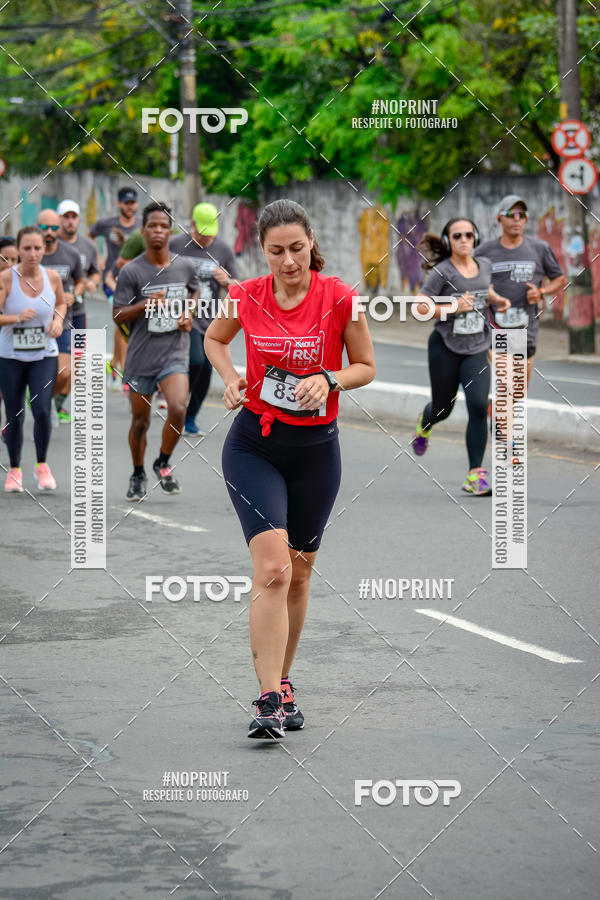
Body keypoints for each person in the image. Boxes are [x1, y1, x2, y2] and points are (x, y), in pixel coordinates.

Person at [204, 198, 376, 740]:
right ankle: (268, 700)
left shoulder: (340, 297)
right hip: (255, 445)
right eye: (275, 252)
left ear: (311, 243)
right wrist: (231, 378)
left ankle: (283, 678)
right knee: (273, 569)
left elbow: (366, 367)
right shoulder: (248, 294)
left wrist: (329, 378)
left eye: (296, 249)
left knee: (300, 575)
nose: (287, 262)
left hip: (317, 452)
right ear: (263, 250)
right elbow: (214, 339)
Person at [410, 218, 511, 496]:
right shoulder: (442, 272)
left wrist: (497, 300)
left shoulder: (485, 265)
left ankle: (474, 475)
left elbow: (484, 289)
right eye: (457, 236)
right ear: (448, 241)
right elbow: (419, 307)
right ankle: (425, 423)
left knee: (479, 406)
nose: (464, 239)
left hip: (477, 347)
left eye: (468, 234)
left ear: (475, 237)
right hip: (445, 347)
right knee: (443, 408)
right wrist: (454, 307)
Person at [113, 202, 199, 501]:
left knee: (177, 407)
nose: (159, 231)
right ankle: (137, 472)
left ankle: (162, 461)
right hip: (140, 358)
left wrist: (189, 312)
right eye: (153, 226)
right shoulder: (133, 271)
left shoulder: (184, 265)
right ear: (143, 231)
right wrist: (143, 305)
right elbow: (117, 314)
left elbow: (194, 290)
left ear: (170, 230)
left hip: (174, 353)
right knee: (141, 422)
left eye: (164, 225)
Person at [474, 195, 566, 387]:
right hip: (494, 327)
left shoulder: (539, 249)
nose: (516, 219)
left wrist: (541, 292)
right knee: (506, 387)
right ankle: (498, 413)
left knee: (518, 391)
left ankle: (496, 412)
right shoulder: (484, 252)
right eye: (510, 214)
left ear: (525, 219)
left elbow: (559, 278)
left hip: (526, 330)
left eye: (521, 214)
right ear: (500, 218)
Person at [0, 226, 65, 491]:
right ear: (18, 249)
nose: (32, 253)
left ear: (44, 249)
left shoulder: (52, 277)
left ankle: (42, 465)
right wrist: (15, 318)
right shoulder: (6, 279)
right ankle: (14, 469)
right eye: (26, 248)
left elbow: (61, 304)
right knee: (15, 414)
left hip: (43, 354)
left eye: (38, 248)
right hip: (10, 356)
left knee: (41, 409)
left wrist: (58, 321)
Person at [170, 203, 238, 435]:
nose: (207, 239)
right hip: (182, 315)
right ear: (192, 226)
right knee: (196, 361)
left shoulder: (223, 251)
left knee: (207, 372)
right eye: (202, 234)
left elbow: (239, 285)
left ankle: (189, 418)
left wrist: (227, 280)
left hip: (211, 319)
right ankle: (175, 402)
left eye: (211, 235)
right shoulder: (176, 245)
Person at [89, 187, 142, 386]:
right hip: (112, 280)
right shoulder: (107, 224)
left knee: (123, 321)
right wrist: (98, 258)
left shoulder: (140, 226)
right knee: (123, 320)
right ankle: (126, 369)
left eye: (133, 203)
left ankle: (113, 363)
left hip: (135, 281)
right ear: (119, 204)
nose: (130, 207)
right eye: (126, 203)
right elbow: (90, 235)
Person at [38, 209, 84, 423]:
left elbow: (81, 281)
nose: (49, 232)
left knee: (65, 372)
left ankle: (46, 400)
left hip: (63, 320)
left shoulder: (71, 254)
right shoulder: (30, 253)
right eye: (44, 227)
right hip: (33, 323)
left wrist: (74, 294)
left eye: (54, 228)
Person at [57, 199, 101, 332]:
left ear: (79, 219)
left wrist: (93, 282)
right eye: (66, 217)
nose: (70, 221)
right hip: (53, 309)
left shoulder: (88, 246)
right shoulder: (51, 243)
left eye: (74, 217)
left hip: (77, 309)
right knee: (57, 352)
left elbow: (95, 272)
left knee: (79, 351)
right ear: (58, 219)